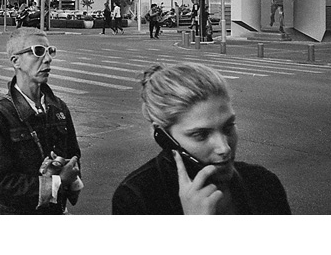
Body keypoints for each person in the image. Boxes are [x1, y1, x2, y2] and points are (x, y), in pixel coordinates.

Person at [112, 63, 291, 215]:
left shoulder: (263, 182)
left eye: (228, 127)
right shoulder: (136, 197)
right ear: (164, 138)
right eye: (200, 135)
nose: (224, 148)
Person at [0, 27, 84, 214]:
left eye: (50, 51)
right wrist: (56, 182)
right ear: (15, 61)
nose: (48, 59)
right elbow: (1, 185)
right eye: (38, 51)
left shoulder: (59, 108)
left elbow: (74, 158)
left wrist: (66, 172)